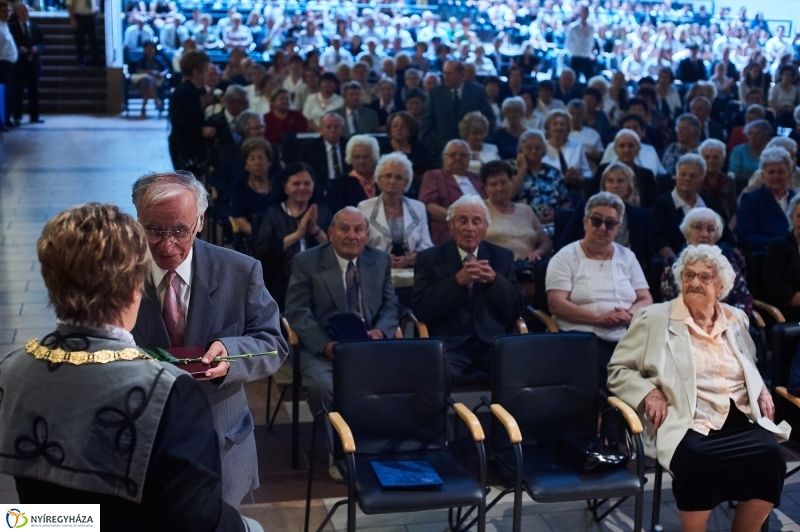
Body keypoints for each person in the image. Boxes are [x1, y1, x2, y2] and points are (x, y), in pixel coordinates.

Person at [0, 203, 260, 531]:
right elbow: (198, 520)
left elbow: (21, 520)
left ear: (51, 282)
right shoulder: (168, 391)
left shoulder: (11, 370)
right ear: (135, 287)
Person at [130, 171, 288, 506]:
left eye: (179, 230)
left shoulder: (240, 271)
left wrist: (230, 354)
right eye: (153, 229)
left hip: (221, 439)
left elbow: (273, 342)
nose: (166, 243)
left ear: (200, 221)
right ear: (137, 220)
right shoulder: (119, 271)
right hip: (145, 437)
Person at [608, 244, 789, 532]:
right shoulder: (654, 318)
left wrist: (761, 389)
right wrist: (648, 392)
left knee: (772, 458)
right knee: (698, 459)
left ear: (721, 286)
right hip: (687, 419)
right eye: (689, 275)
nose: (694, 282)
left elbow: (748, 362)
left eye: (705, 277)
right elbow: (618, 370)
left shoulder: (736, 318)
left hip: (738, 417)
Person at [284, 206, 400, 421]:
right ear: (330, 233)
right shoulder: (307, 262)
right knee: (323, 387)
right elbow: (297, 310)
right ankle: (338, 449)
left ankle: (378, 443)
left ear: (367, 235)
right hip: (324, 349)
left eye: (359, 230)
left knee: (406, 379)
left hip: (371, 346)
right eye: (344, 229)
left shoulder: (380, 260)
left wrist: (381, 331)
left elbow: (391, 304)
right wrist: (325, 345)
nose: (352, 236)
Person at [411, 195, 525, 387]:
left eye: (476, 221)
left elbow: (518, 307)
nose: (469, 228)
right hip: (451, 344)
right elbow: (421, 308)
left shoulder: (502, 256)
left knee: (521, 374)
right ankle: (442, 419)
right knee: (432, 379)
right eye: (462, 221)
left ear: (485, 228)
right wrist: (456, 282)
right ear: (451, 226)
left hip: (492, 342)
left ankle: (507, 418)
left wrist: (495, 280)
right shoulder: (429, 258)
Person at [546, 191, 652, 388]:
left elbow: (645, 298)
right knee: (615, 374)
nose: (603, 228)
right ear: (585, 222)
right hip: (581, 338)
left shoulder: (627, 256)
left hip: (625, 335)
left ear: (618, 228)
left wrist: (628, 315)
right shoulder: (565, 257)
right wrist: (599, 319)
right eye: (596, 221)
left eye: (610, 223)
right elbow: (556, 303)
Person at [254, 162, 331, 311]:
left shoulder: (323, 212)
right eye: (296, 183)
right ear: (285, 187)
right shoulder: (274, 213)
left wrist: (315, 230)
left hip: (318, 277)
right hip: (281, 278)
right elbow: (262, 251)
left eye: (307, 183)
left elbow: (333, 249)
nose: (302, 188)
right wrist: (298, 234)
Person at [558, 162, 653, 267]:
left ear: (629, 187)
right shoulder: (585, 208)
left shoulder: (641, 216)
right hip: (587, 268)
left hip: (626, 272)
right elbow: (565, 244)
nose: (615, 185)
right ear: (604, 186)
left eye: (621, 181)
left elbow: (648, 257)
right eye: (610, 181)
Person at [660, 208, 753, 314]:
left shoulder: (729, 260)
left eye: (710, 229)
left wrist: (728, 318)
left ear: (717, 234)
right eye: (698, 228)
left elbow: (744, 298)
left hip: (727, 321)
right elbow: (669, 302)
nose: (704, 234)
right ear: (687, 232)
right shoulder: (673, 263)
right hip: (686, 322)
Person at [358, 152, 432, 276]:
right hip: (375, 270)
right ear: (379, 179)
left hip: (412, 270)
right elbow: (359, 245)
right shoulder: (364, 207)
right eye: (388, 176)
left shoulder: (418, 207)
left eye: (399, 177)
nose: (392, 181)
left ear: (406, 182)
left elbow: (427, 245)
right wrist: (383, 259)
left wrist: (409, 259)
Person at [654, 154, 733, 258]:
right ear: (676, 176)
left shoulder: (708, 201)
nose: (687, 179)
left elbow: (724, 234)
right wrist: (676, 263)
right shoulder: (662, 203)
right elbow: (659, 241)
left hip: (712, 260)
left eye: (693, 176)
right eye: (683, 174)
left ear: (701, 180)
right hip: (679, 260)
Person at [420, 60, 495, 161]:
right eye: (444, 73)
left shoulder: (477, 92)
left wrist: (479, 140)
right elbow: (426, 123)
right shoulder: (436, 93)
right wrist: (431, 146)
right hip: (442, 151)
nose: (445, 77)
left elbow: (489, 119)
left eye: (449, 74)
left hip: (471, 151)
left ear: (461, 74)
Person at [482, 160, 552, 262]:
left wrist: (538, 252)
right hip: (495, 269)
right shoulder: (479, 209)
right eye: (493, 184)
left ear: (512, 181)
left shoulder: (526, 210)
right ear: (486, 188)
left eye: (503, 182)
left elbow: (546, 242)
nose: (499, 188)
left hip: (527, 267)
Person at [419, 140, 487, 245]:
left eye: (463, 155)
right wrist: (459, 219)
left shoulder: (477, 178)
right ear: (444, 158)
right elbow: (429, 206)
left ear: (469, 159)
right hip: (450, 229)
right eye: (453, 154)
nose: (458, 158)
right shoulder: (434, 176)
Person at [737, 147, 798, 253]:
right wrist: (782, 244)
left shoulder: (797, 199)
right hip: (766, 259)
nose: (776, 176)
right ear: (763, 176)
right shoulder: (751, 200)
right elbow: (745, 237)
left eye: (781, 171)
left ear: (789, 175)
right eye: (771, 172)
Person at [512, 129, 570, 233]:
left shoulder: (554, 172)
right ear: (521, 150)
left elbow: (566, 200)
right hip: (523, 224)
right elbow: (510, 195)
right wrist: (523, 169)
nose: (533, 151)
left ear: (543, 151)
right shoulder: (511, 170)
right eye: (528, 148)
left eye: (538, 148)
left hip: (553, 223)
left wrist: (557, 214)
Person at [168, 51, 213, 174]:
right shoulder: (186, 92)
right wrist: (202, 131)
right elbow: (181, 123)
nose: (207, 74)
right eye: (205, 70)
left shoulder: (192, 90)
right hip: (186, 147)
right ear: (195, 72)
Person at [229, 138, 277, 255]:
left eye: (261, 157)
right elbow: (239, 219)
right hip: (251, 238)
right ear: (246, 164)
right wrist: (260, 237)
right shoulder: (239, 186)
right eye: (252, 158)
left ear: (269, 162)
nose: (257, 162)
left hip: (278, 237)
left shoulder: (278, 186)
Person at [590, 129, 657, 208]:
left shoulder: (646, 175)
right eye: (622, 146)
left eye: (631, 146)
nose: (626, 150)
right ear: (615, 150)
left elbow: (652, 204)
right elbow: (591, 197)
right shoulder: (603, 170)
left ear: (638, 149)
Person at [299, 113, 350, 199]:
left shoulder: (349, 145)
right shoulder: (309, 148)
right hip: (319, 188)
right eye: (328, 127)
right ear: (321, 129)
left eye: (336, 127)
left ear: (342, 130)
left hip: (347, 187)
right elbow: (303, 171)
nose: (333, 130)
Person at [541, 109, 593, 193]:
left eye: (562, 124)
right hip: (548, 190)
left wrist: (579, 177)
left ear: (568, 128)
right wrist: (563, 178)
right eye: (555, 124)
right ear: (548, 128)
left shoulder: (577, 146)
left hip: (573, 190)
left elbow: (588, 172)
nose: (559, 127)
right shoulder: (541, 146)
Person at [378, 111, 433, 190]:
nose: (399, 129)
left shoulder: (421, 148)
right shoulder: (382, 149)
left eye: (403, 126)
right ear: (390, 129)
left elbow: (429, 173)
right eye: (395, 126)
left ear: (410, 129)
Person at [10, 4, 43, 125]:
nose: (25, 14)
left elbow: (42, 43)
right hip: (19, 65)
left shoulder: (35, 27)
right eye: (22, 12)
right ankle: (17, 116)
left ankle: (34, 116)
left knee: (33, 91)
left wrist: (36, 48)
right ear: (17, 13)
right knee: (17, 91)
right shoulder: (11, 28)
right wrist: (18, 48)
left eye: (27, 12)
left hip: (32, 64)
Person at [329, 134, 379, 212]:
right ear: (350, 158)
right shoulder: (339, 185)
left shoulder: (383, 180)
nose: (361, 161)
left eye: (365, 157)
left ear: (374, 157)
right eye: (357, 157)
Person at [699, 139, 737, 225]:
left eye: (716, 157)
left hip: (725, 224)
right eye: (707, 157)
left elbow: (734, 210)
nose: (711, 160)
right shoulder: (695, 180)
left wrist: (729, 230)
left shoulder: (729, 180)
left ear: (723, 160)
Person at [133, 42, 169, 118]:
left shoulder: (159, 59)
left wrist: (161, 74)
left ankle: (143, 108)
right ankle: (156, 100)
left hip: (157, 81)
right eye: (148, 49)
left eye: (151, 48)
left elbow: (166, 69)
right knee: (147, 80)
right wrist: (150, 72)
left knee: (147, 87)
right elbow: (138, 70)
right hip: (143, 81)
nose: (150, 50)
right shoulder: (142, 60)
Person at [565, 5, 595, 82]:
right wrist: (573, 52)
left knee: (590, 79)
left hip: (586, 57)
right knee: (573, 79)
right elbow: (568, 43)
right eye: (583, 12)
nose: (585, 15)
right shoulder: (573, 27)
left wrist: (590, 52)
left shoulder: (591, 28)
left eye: (586, 13)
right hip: (576, 57)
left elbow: (592, 42)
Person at [493, 96, 526, 160]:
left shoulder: (528, 135)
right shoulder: (498, 135)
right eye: (508, 112)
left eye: (515, 112)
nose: (511, 114)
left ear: (522, 114)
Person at [68, 0, 100, 68]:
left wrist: (97, 5)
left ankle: (95, 60)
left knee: (94, 39)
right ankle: (81, 61)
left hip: (91, 15)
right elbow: (69, 3)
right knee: (80, 40)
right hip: (80, 16)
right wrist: (72, 19)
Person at [0, 1, 16, 131]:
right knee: (3, 95)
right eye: (4, 11)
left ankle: (6, 119)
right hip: (2, 65)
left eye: (9, 11)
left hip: (8, 65)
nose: (7, 14)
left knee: (8, 95)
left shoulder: (5, 25)